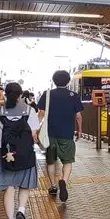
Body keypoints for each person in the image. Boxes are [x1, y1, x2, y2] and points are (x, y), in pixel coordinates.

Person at [0, 82, 39, 219]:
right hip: (25, 153)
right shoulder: (29, 110)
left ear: (5, 94)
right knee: (24, 185)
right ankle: (21, 211)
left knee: (9, 188)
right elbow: (33, 135)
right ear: (20, 95)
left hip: (5, 154)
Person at [38, 70, 83, 202]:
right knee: (68, 161)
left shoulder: (47, 95)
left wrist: (35, 130)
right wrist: (79, 130)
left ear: (54, 80)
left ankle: (53, 186)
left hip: (50, 134)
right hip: (67, 134)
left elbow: (40, 114)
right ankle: (63, 180)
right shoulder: (73, 95)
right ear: (68, 81)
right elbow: (78, 116)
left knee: (51, 161)